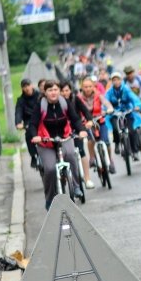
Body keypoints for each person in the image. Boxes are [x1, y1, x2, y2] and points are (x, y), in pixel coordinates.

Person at [27, 80, 88, 210]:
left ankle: (76, 186)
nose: (53, 93)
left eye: (55, 90)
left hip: (64, 137)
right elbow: (33, 124)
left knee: (71, 155)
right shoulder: (41, 106)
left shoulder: (64, 103)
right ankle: (49, 199)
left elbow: (75, 119)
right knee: (49, 169)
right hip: (46, 141)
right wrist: (35, 136)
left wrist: (82, 130)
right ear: (45, 93)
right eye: (50, 90)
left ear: (59, 91)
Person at [61, 81, 95, 190]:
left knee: (81, 151)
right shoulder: (57, 102)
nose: (64, 93)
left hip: (76, 129)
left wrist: (89, 120)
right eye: (62, 91)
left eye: (66, 90)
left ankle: (87, 178)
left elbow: (85, 111)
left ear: (70, 90)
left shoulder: (75, 99)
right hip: (63, 133)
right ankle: (65, 177)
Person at [78, 76, 116, 175]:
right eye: (85, 87)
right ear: (82, 87)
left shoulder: (98, 95)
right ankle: (92, 158)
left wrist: (109, 108)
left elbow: (106, 103)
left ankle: (110, 160)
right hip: (87, 123)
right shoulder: (78, 98)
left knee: (106, 142)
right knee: (90, 140)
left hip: (100, 121)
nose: (87, 89)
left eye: (90, 86)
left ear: (93, 86)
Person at [105, 72, 141, 160]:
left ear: (121, 80)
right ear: (112, 81)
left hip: (127, 112)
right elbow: (105, 102)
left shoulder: (126, 89)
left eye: (118, 79)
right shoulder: (109, 92)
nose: (116, 82)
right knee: (115, 128)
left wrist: (137, 106)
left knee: (131, 131)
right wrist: (107, 109)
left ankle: (135, 152)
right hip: (115, 114)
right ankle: (117, 144)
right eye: (114, 80)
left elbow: (134, 98)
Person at [15, 78, 40, 168]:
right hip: (29, 122)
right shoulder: (21, 100)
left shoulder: (39, 95)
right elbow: (18, 112)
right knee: (29, 134)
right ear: (22, 89)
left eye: (28, 85)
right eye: (24, 87)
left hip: (41, 119)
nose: (27, 88)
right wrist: (18, 123)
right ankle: (34, 156)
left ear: (32, 85)